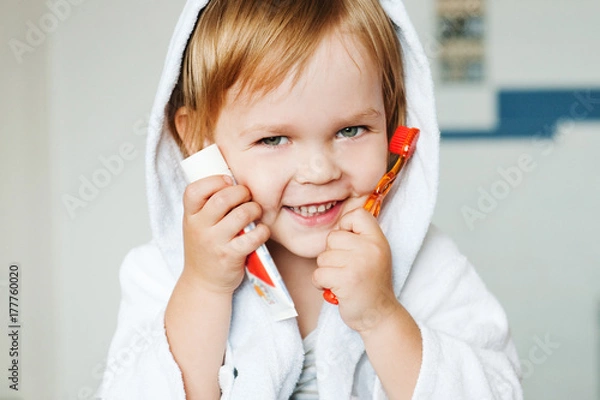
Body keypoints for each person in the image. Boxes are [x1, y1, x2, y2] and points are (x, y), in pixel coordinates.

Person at [97, 0, 523, 399]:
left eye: (351, 130)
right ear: (198, 140)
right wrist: (204, 286)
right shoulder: (160, 273)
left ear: (395, 123)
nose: (320, 172)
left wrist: (380, 315)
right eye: (274, 138)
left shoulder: (430, 265)